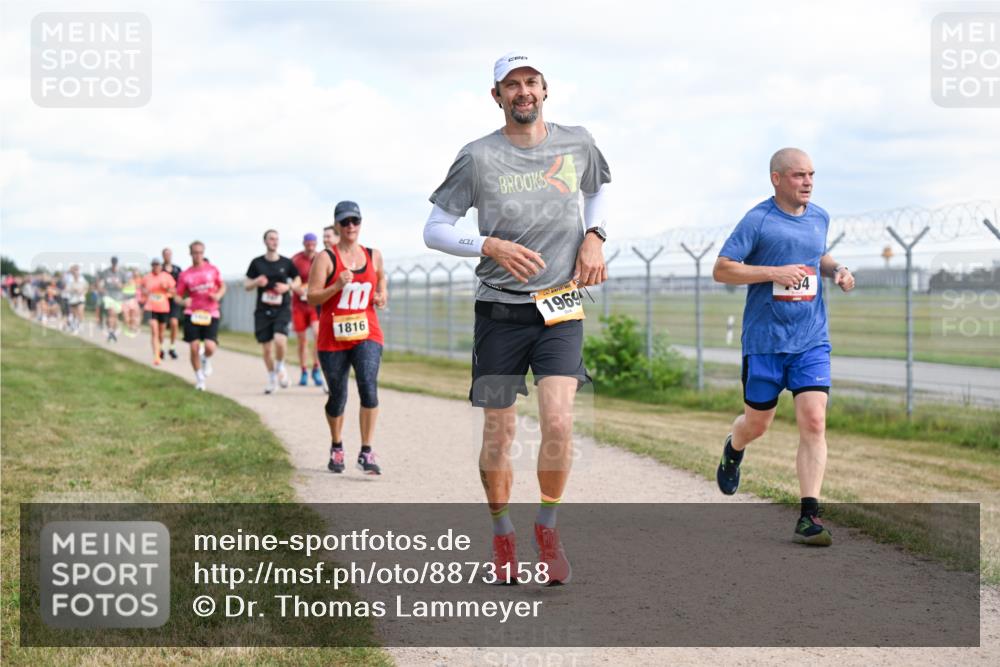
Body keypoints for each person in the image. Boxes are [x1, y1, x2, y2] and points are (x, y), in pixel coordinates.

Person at [423, 52, 611, 585]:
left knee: (558, 420)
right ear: (497, 95)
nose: (522, 91)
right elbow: (435, 228)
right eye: (512, 84)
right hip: (500, 311)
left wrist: (595, 237)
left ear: (545, 90)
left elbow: (597, 191)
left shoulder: (577, 142)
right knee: (499, 434)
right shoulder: (477, 157)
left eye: (531, 82)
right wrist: (488, 244)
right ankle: (502, 532)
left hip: (559, 306)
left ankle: (547, 526)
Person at [712, 147, 855, 547]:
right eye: (798, 176)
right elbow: (722, 268)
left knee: (813, 420)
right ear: (776, 178)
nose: (807, 182)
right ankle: (734, 447)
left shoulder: (820, 216)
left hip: (810, 339)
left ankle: (809, 516)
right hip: (765, 343)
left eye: (811, 175)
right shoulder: (758, 220)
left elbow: (816, 255)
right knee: (757, 424)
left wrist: (837, 269)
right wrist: (772, 272)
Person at [308, 201, 387, 475]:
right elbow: (312, 296)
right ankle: (337, 445)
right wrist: (337, 285)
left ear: (360, 223)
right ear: (337, 225)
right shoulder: (325, 258)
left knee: (368, 385)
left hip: (367, 332)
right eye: (345, 222)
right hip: (333, 336)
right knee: (338, 396)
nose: (351, 226)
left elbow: (381, 280)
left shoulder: (373, 254)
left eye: (355, 221)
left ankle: (366, 451)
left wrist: (381, 295)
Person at [245, 230, 299, 394]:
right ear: (265, 241)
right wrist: (256, 282)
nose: (274, 241)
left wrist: (288, 287)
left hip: (282, 308)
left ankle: (280, 365)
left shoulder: (287, 262)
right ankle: (271, 378)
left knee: (280, 340)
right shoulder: (256, 263)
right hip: (263, 310)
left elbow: (298, 280)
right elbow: (246, 285)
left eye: (276, 239)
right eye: (271, 238)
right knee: (267, 349)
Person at [176, 241, 226, 391]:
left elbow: (223, 286)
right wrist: (184, 301)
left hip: (211, 312)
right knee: (194, 347)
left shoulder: (212, 270)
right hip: (193, 313)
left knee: (210, 347)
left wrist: (218, 295)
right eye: (195, 253)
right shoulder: (185, 275)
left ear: (203, 253)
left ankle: (206, 358)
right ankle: (200, 379)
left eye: (200, 252)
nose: (198, 255)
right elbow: (176, 296)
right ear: (190, 254)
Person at [291, 233, 324, 387]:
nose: (310, 245)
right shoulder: (296, 260)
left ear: (316, 244)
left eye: (313, 243)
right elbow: (290, 280)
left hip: (314, 305)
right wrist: (298, 289)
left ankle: (316, 369)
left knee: (318, 334)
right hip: (299, 305)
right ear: (304, 243)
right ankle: (304, 371)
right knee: (302, 340)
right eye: (308, 243)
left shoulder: (320, 258)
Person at [140, 258, 177, 365]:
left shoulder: (167, 277)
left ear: (161, 266)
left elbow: (174, 291)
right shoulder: (147, 277)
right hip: (150, 308)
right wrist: (144, 291)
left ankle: (159, 348)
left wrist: (166, 289)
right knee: (154, 331)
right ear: (151, 266)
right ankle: (156, 356)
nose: (155, 267)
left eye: (157, 265)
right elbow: (141, 289)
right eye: (154, 265)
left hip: (163, 308)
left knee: (161, 334)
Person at [97, 257, 128, 342]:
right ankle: (110, 331)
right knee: (111, 313)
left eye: (115, 262)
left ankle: (112, 332)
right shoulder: (106, 272)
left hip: (118, 296)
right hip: (108, 296)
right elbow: (99, 280)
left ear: (117, 263)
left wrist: (121, 286)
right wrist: (100, 288)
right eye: (113, 262)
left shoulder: (122, 273)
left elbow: (126, 284)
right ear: (111, 263)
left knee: (115, 316)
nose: (114, 264)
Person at [162, 248, 184, 360]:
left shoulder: (177, 269)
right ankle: (160, 347)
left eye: (169, 254)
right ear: (163, 256)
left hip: (174, 300)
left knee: (174, 323)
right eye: (165, 254)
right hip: (162, 301)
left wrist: (176, 292)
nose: (167, 256)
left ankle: (172, 347)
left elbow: (182, 284)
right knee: (162, 326)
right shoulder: (159, 269)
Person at [63, 265, 89, 334]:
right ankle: (73, 326)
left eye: (77, 270)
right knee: (74, 314)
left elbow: (86, 287)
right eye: (75, 270)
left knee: (80, 312)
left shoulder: (82, 279)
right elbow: (66, 289)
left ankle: (77, 325)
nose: (76, 272)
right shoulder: (69, 279)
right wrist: (73, 289)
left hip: (81, 298)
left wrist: (83, 292)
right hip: (72, 299)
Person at [120, 269, 143, 336]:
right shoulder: (125, 283)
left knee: (134, 315)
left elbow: (139, 287)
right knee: (126, 318)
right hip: (125, 301)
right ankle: (128, 327)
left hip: (133, 301)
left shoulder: (136, 282)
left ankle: (134, 327)